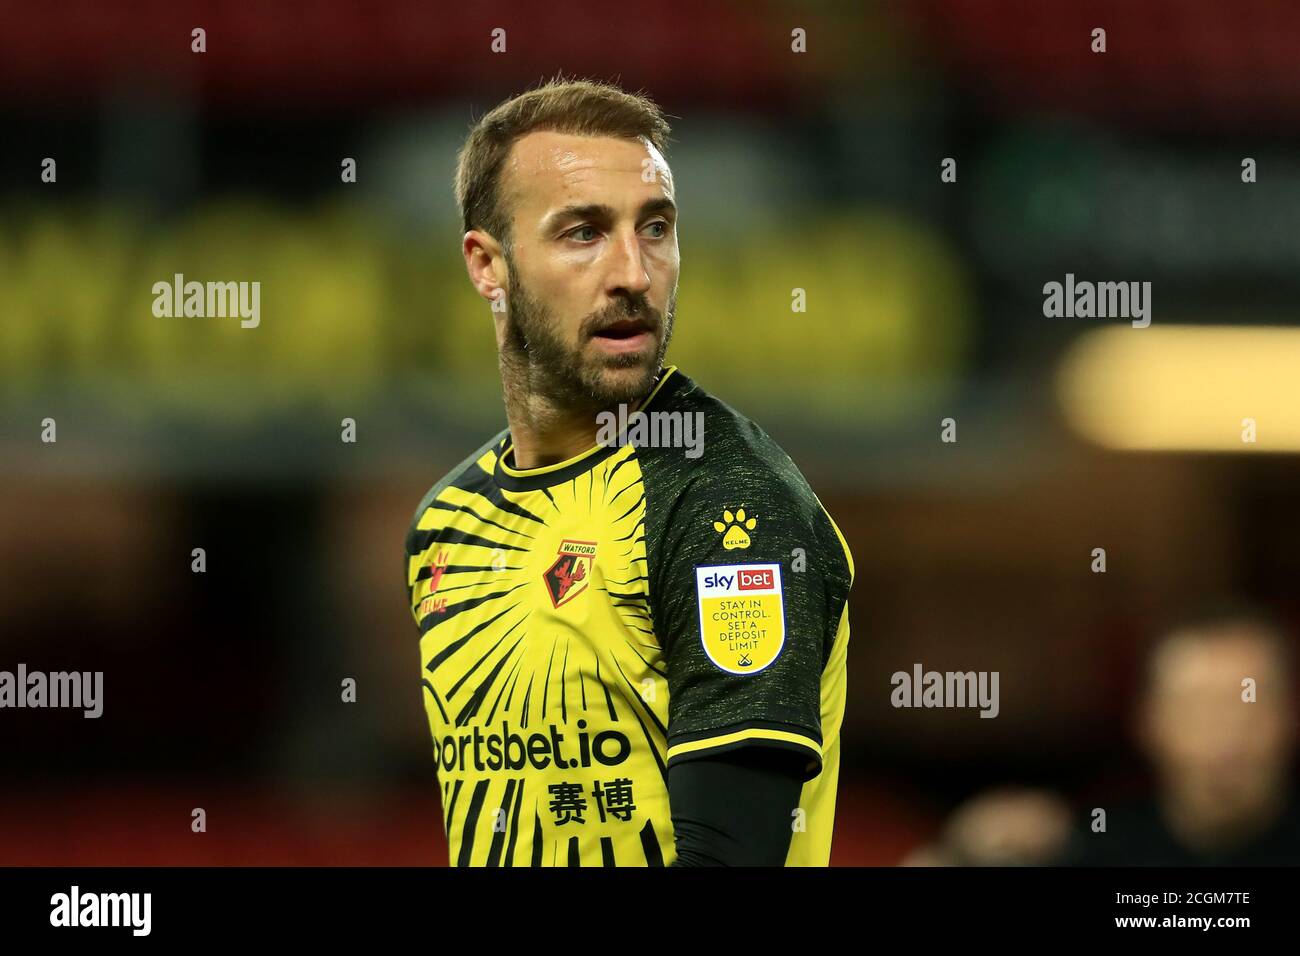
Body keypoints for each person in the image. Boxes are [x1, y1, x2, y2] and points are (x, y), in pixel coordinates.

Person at [402, 76, 854, 866]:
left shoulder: (724, 502)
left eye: (654, 228)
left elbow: (729, 855)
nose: (634, 274)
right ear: (487, 264)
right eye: (583, 232)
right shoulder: (447, 522)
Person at [1062, 605, 1300, 865]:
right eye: (1196, 708)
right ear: (1148, 722)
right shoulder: (1087, 850)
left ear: (1289, 716)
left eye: (1250, 708)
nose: (1226, 736)